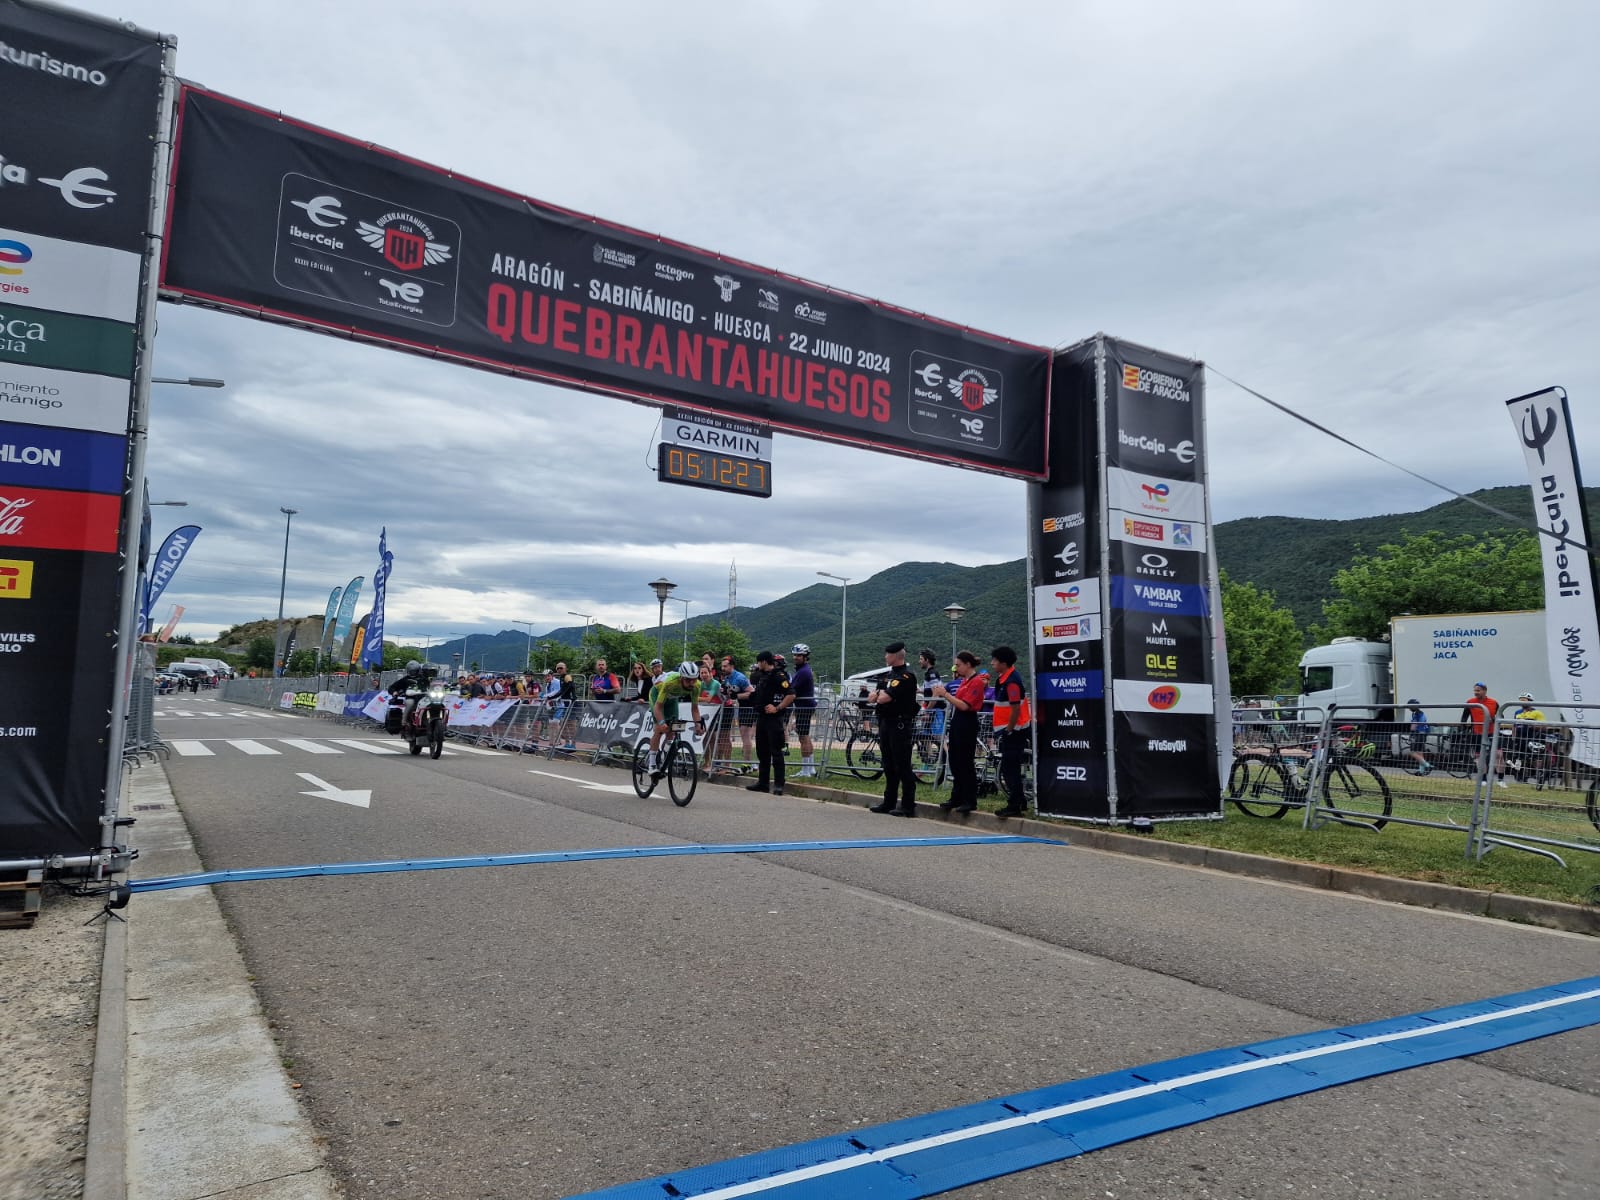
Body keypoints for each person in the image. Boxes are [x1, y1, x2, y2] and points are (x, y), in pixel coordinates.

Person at [868, 642, 921, 817]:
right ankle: (889, 801)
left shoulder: (906, 676)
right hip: (885, 722)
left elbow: (883, 697)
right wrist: (878, 696)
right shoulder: (888, 675)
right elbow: (873, 696)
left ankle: (908, 805)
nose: (885, 657)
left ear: (896, 656)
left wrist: (879, 696)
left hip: (899, 725)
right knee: (888, 764)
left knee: (902, 765)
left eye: (888, 654)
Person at [933, 650, 987, 814]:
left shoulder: (976, 682)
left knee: (965, 763)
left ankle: (969, 800)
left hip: (967, 721)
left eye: (959, 665)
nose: (956, 668)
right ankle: (956, 797)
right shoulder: (964, 681)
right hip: (958, 721)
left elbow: (964, 705)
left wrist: (945, 694)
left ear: (968, 664)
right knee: (955, 761)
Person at [989, 646, 1032, 817]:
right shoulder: (1004, 678)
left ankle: (1014, 805)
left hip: (1014, 731)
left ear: (1004, 663)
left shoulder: (1012, 681)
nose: (992, 663)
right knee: (1009, 767)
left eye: (994, 660)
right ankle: (1020, 801)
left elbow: (1015, 709)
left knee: (1010, 768)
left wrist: (1008, 729)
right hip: (1008, 730)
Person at [746, 650, 795, 794]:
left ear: (764, 662)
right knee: (762, 752)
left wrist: (777, 707)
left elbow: (791, 694)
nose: (757, 665)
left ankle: (779, 784)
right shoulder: (762, 676)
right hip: (762, 717)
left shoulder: (779, 676)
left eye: (759, 662)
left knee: (776, 752)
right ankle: (763, 783)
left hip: (774, 719)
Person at [646, 660, 706, 776]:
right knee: (659, 729)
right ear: (681, 677)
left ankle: (664, 755)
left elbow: (695, 708)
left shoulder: (697, 685)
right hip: (657, 696)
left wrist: (698, 724)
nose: (691, 683)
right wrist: (662, 722)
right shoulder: (670, 683)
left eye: (694, 679)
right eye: (688, 680)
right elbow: (658, 707)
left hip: (672, 700)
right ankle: (652, 764)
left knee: (672, 730)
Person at [1461, 682, 1505, 787]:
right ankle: (1483, 779)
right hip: (1477, 733)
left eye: (1478, 690)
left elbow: (1501, 716)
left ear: (1485, 691)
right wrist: (1463, 729)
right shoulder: (1470, 702)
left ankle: (1501, 780)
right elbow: (1464, 718)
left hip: (1492, 732)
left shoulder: (1493, 702)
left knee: (1499, 755)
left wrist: (1493, 719)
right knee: (1480, 757)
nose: (1476, 692)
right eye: (1475, 690)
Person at [789, 643, 818, 777]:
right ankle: (811, 768)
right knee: (805, 736)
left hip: (804, 707)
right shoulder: (802, 670)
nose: (796, 657)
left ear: (805, 657)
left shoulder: (803, 672)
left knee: (803, 738)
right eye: (795, 655)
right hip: (804, 706)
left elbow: (791, 689)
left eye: (799, 655)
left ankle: (806, 770)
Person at [1404, 700, 1433, 775]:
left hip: (1418, 734)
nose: (1409, 708)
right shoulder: (1420, 713)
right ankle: (1421, 771)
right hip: (1423, 734)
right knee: (1420, 754)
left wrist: (1411, 735)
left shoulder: (1416, 714)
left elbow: (1413, 726)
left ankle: (1428, 766)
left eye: (1409, 707)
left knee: (1412, 752)